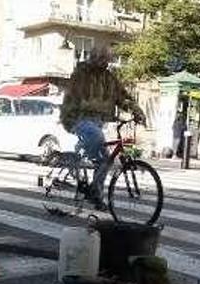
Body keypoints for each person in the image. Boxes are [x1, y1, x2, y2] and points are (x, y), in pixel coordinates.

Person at [60, 48, 144, 208]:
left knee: (104, 160)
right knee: (100, 144)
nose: (104, 62)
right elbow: (72, 100)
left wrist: (136, 111)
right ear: (92, 58)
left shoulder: (109, 79)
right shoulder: (81, 75)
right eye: (100, 58)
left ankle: (94, 193)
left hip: (97, 122)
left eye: (106, 59)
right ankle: (95, 193)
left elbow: (123, 97)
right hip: (78, 119)